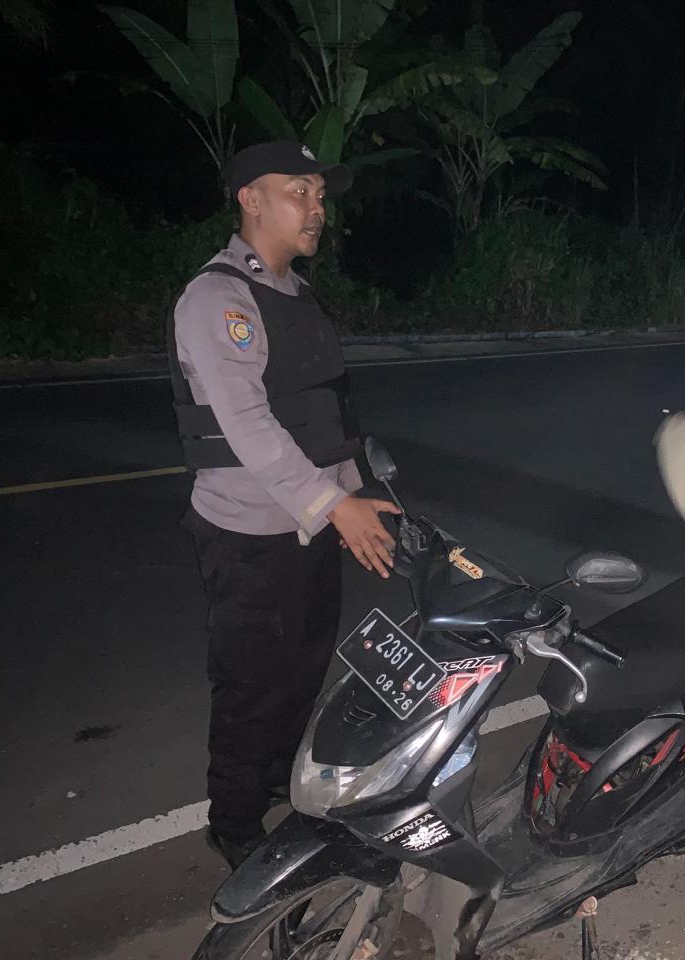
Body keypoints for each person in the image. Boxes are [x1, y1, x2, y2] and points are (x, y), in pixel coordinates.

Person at [171, 141, 400, 869]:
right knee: (251, 687)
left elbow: (322, 409)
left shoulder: (296, 295)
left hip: (310, 524)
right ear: (250, 199)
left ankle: (276, 785)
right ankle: (235, 825)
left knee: (301, 673)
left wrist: (354, 495)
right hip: (248, 534)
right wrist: (334, 505)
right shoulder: (217, 298)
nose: (316, 208)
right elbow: (248, 424)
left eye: (320, 195)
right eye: (298, 191)